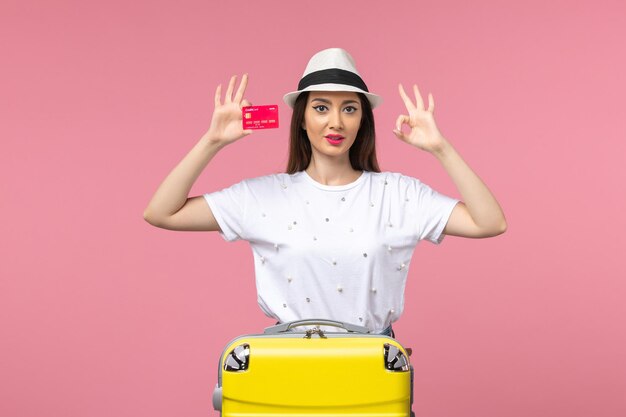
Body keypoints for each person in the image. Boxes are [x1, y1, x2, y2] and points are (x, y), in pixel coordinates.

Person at [143, 48, 507, 336]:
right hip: (288, 369)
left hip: (372, 370)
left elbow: (489, 222)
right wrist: (212, 141)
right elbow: (162, 212)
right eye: (321, 108)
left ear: (362, 119)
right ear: (302, 119)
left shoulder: (398, 194)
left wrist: (440, 148)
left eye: (349, 108)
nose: (336, 121)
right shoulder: (263, 196)